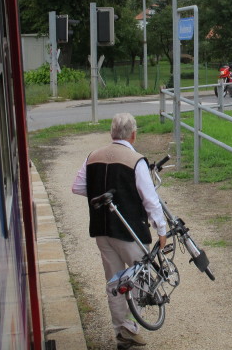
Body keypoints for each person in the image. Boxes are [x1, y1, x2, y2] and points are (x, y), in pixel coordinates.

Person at [72, 113, 167, 349]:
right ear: (133, 134)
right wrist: (161, 229)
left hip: (102, 230)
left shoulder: (92, 157)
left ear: (112, 133)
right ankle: (132, 326)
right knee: (138, 279)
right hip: (129, 231)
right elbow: (150, 200)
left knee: (114, 281)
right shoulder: (136, 160)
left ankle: (123, 330)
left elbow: (78, 187)